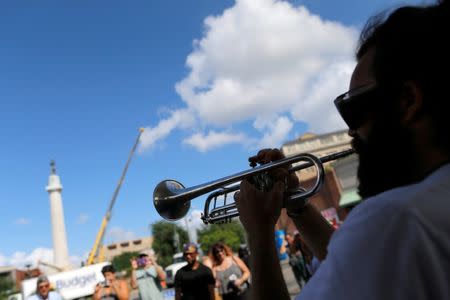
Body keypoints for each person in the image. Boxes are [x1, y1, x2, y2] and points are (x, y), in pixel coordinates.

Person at [234, 1, 450, 299]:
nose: (350, 130)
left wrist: (258, 233)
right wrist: (295, 203)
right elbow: (354, 262)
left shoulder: (398, 216)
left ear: (407, 101)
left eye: (355, 109)